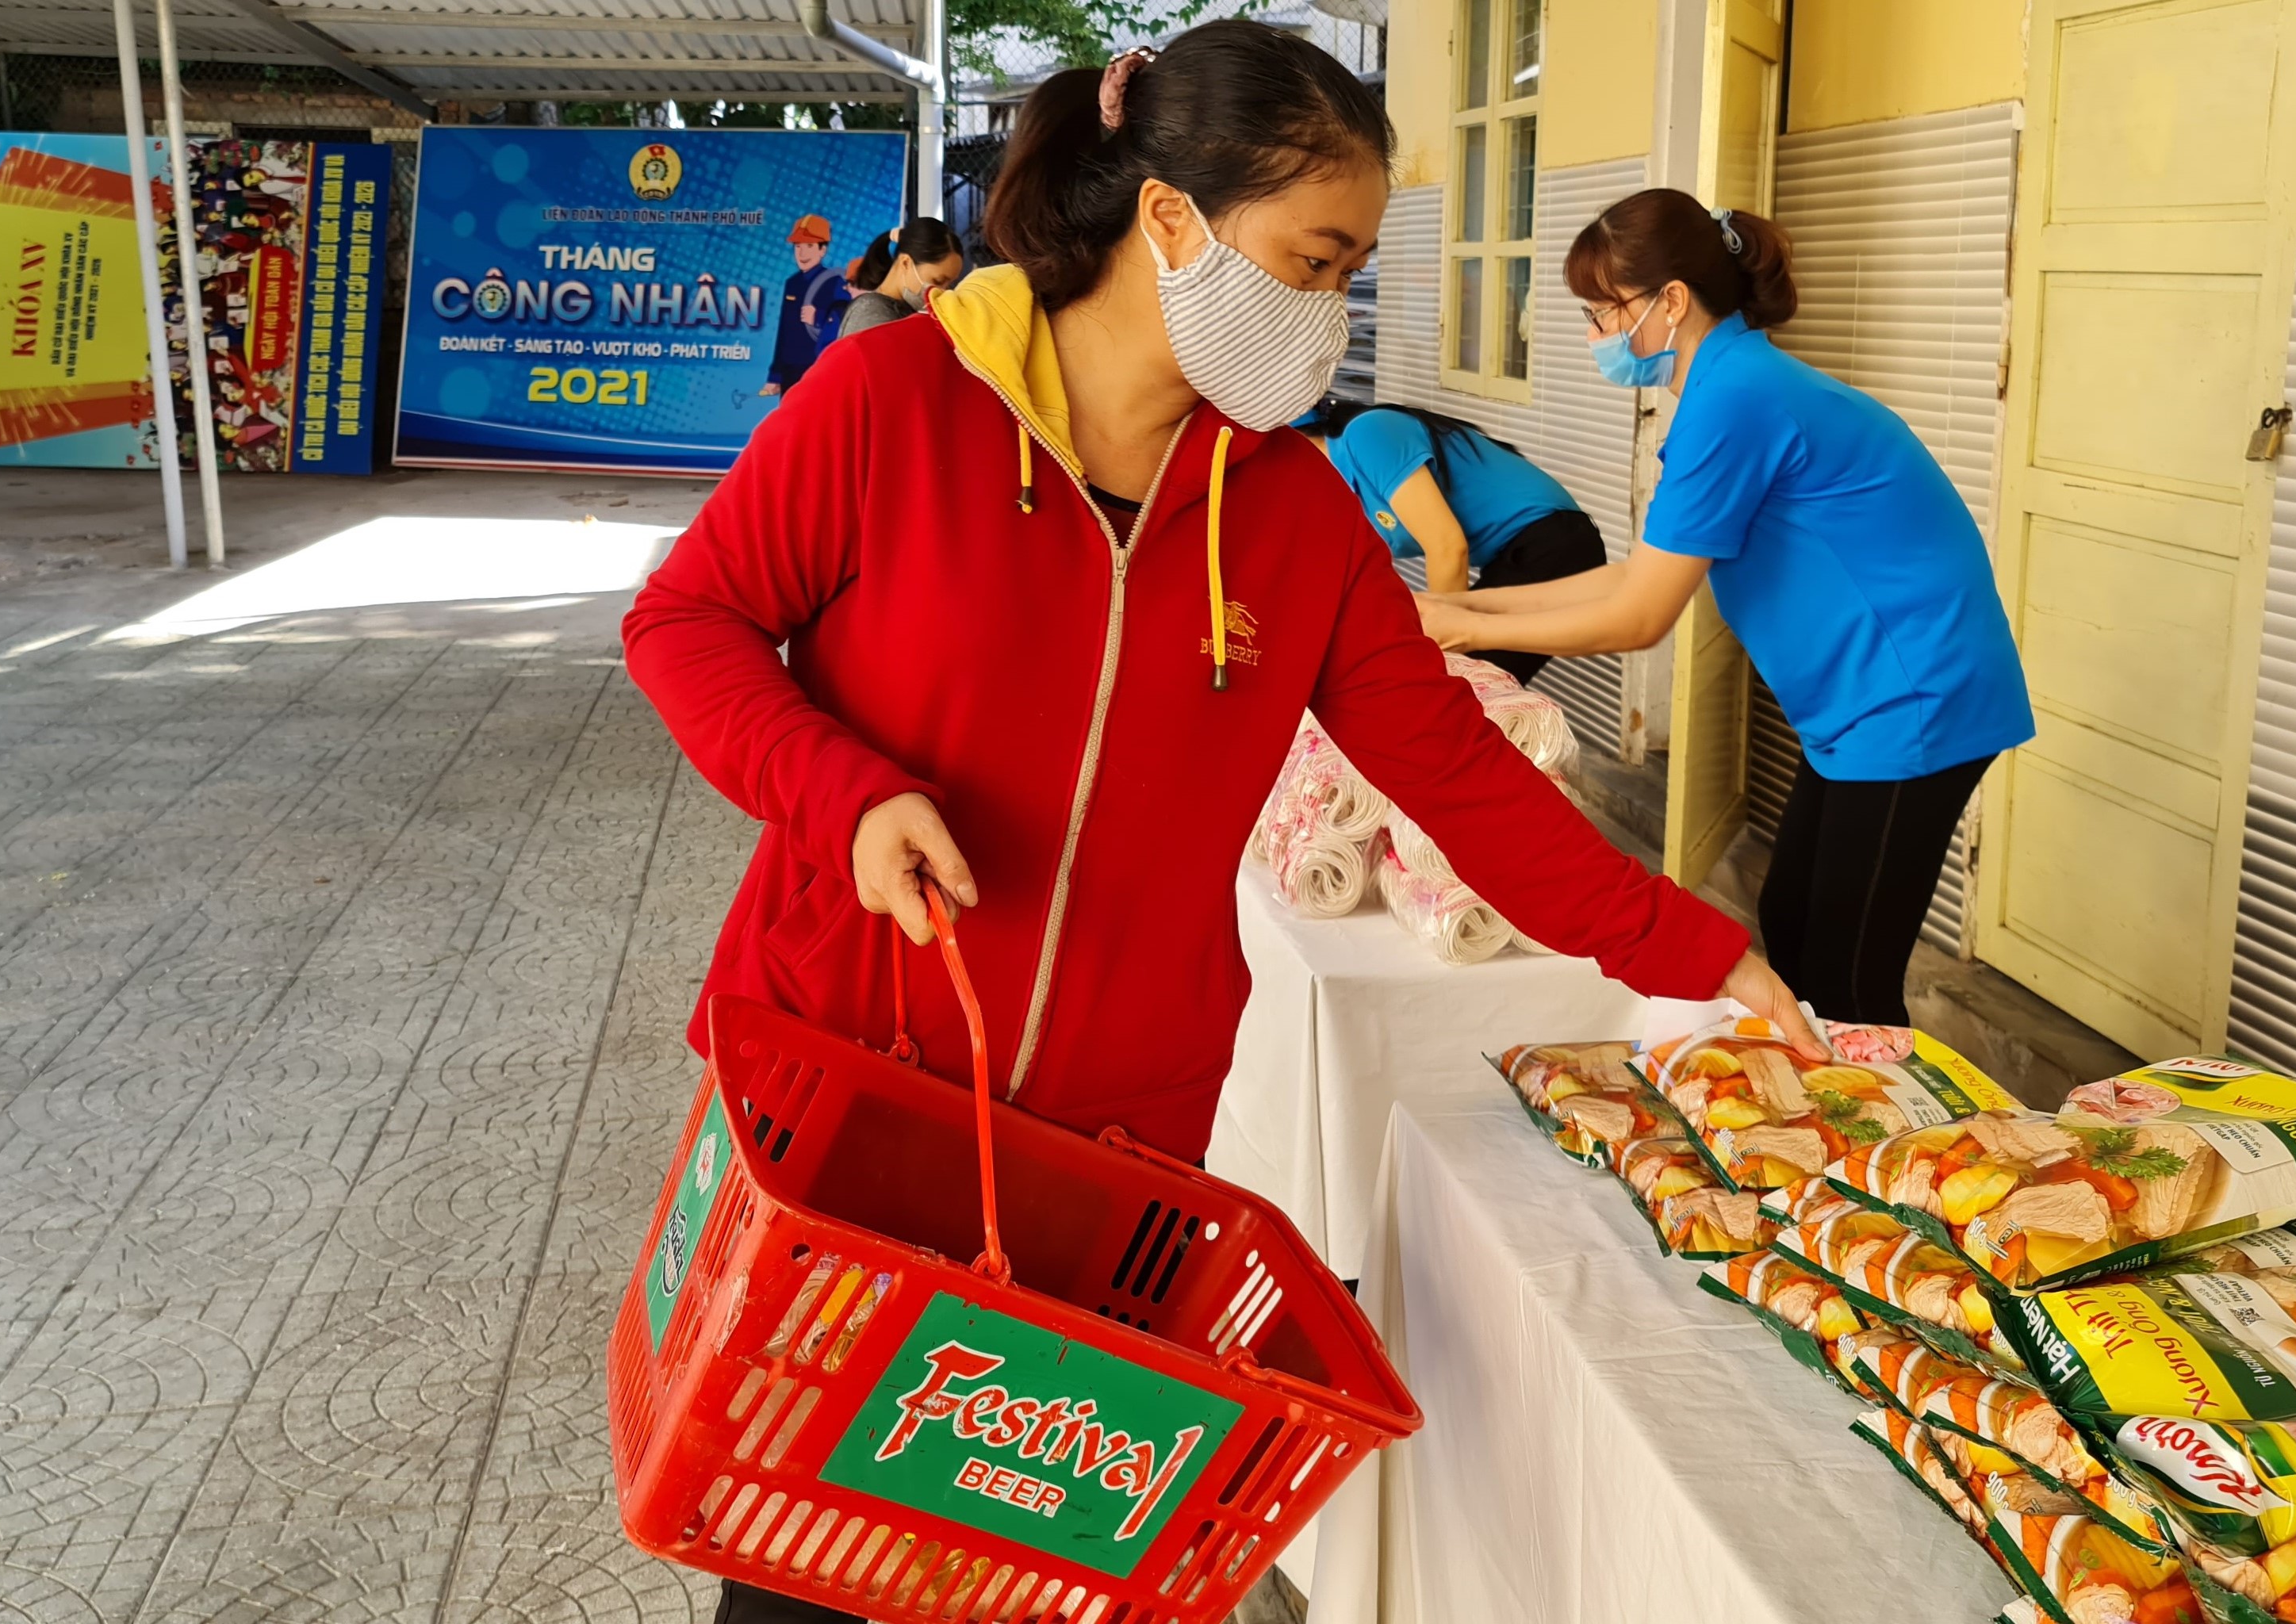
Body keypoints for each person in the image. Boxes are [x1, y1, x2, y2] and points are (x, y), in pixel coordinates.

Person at [621, 34, 1818, 1623]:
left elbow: (1458, 779)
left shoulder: (1294, 515)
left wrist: (1692, 950)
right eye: (1311, 261)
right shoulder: (893, 401)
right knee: (811, 1555)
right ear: (1170, 219)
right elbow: (686, 623)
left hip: (1108, 1152)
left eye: (1351, 272)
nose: (1328, 313)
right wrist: (846, 791)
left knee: (1007, 1555)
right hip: (847, 1093)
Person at [1417, 188, 2034, 1028]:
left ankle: (1895, 1151)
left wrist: (1459, 623)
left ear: (1669, 302)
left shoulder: (1736, 400)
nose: (1593, 335)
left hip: (1913, 698)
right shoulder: (1729, 386)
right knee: (1790, 926)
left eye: (1604, 312)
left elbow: (1639, 617)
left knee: (1847, 976)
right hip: (1860, 701)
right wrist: (1461, 611)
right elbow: (1637, 575)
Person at [1300, 397, 1607, 680]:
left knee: (1466, 689)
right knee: (1458, 690)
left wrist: (1442, 654)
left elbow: (1447, 547)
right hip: (1519, 555)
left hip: (1554, 544)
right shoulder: (1336, 494)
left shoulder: (1367, 435)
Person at [839, 217, 968, 337]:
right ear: (906, 263)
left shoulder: (906, 311)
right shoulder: (871, 313)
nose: (942, 292)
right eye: (938, 281)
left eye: (950, 285)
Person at [761, 213, 841, 395]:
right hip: (790, 369)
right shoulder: (793, 283)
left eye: (810, 246)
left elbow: (845, 324)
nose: (802, 253)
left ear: (823, 250)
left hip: (820, 368)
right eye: (798, 247)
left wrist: (818, 318)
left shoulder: (835, 282)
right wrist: (775, 376)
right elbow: (784, 331)